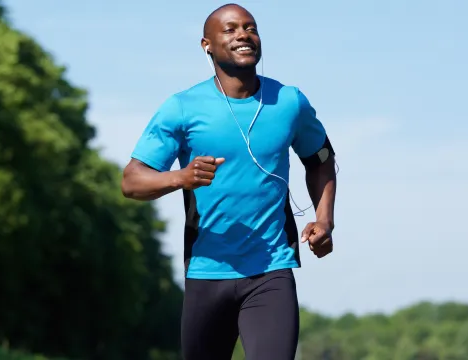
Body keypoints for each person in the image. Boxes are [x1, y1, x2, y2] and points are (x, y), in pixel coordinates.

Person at [121, 3, 337, 360]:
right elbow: (131, 181)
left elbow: (321, 162)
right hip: (207, 271)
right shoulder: (182, 107)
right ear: (207, 45)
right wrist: (182, 177)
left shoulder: (288, 102)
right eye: (231, 29)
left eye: (250, 28)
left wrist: (324, 218)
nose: (243, 35)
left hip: (271, 269)